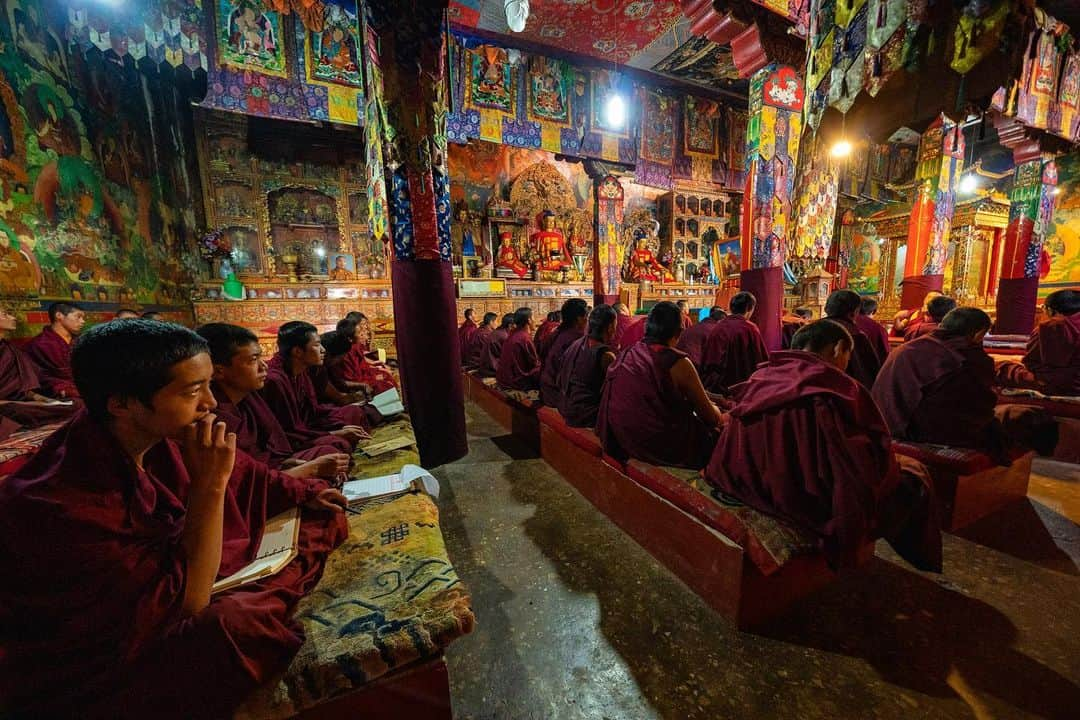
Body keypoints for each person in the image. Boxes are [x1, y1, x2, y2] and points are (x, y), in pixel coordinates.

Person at [0, 319, 348, 718]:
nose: (211, 403)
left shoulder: (161, 435)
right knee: (231, 628)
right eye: (192, 391)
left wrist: (307, 491)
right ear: (122, 403)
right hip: (97, 668)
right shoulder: (56, 504)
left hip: (183, 577)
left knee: (317, 517)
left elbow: (251, 476)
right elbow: (187, 603)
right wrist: (209, 486)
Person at [703, 319, 941, 571]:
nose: (846, 365)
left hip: (744, 479)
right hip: (800, 497)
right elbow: (856, 460)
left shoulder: (761, 375)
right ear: (838, 348)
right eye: (848, 356)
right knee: (913, 476)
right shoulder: (836, 387)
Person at [872, 308, 1056, 458]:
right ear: (977, 334)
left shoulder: (907, 347)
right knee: (1025, 419)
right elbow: (978, 406)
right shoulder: (966, 356)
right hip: (921, 431)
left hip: (888, 422)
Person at [198, 323, 353, 467]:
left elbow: (277, 440)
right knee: (332, 450)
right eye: (253, 359)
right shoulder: (273, 381)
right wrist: (301, 469)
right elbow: (243, 473)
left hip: (276, 463)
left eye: (260, 357)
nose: (263, 366)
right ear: (218, 371)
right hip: (265, 474)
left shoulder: (249, 394)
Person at [596, 301, 725, 469]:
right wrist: (719, 411)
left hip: (625, 438)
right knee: (720, 436)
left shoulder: (628, 352)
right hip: (659, 445)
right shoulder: (678, 363)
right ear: (679, 332)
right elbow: (711, 417)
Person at [261, 321, 371, 452]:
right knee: (335, 445)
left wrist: (339, 427)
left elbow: (312, 410)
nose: (323, 350)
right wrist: (332, 433)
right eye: (317, 345)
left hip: (310, 425)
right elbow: (287, 431)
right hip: (293, 438)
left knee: (353, 412)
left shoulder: (300, 370)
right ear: (297, 351)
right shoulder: (275, 380)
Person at [0, 307, 78, 439]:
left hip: (19, 404)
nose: (14, 318)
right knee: (15, 411)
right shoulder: (41, 343)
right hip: (7, 407)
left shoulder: (10, 349)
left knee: (76, 405)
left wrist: (44, 400)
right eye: (6, 314)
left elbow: (22, 387)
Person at [999, 289, 1080, 396]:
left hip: (1061, 385)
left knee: (1001, 368)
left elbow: (1031, 363)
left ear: (1051, 310)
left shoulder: (1051, 326)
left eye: (1044, 308)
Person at [557, 304, 617, 427]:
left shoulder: (576, 344)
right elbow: (616, 391)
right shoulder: (606, 355)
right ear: (611, 327)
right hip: (587, 414)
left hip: (567, 407)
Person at [699, 291, 769, 394]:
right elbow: (760, 359)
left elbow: (707, 359)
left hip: (716, 386)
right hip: (741, 386)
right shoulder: (750, 328)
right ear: (749, 308)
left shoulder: (718, 327)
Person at [24, 301, 85, 399]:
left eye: (83, 318)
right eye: (78, 316)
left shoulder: (82, 341)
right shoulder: (38, 344)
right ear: (59, 315)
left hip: (87, 386)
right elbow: (37, 376)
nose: (82, 321)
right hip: (59, 392)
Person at [823, 290, 883, 389]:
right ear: (855, 312)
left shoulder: (810, 329)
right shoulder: (856, 335)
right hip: (848, 391)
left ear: (826, 309)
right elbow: (869, 372)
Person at [539, 299, 589, 407]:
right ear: (579, 319)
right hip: (558, 395)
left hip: (546, 389)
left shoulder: (556, 332)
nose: (587, 320)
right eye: (586, 317)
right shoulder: (576, 339)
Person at [334, 317, 398, 397]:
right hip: (358, 383)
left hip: (364, 375)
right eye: (360, 334)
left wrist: (377, 369)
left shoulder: (355, 347)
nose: (363, 335)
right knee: (385, 385)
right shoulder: (345, 353)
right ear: (350, 338)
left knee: (386, 374)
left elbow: (363, 365)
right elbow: (350, 378)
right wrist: (374, 378)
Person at [496, 307, 541, 393]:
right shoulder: (524, 338)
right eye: (534, 317)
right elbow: (534, 364)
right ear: (529, 320)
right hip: (516, 382)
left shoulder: (513, 334)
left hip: (504, 378)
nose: (535, 321)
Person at [855, 297, 891, 364]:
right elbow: (884, 354)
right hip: (869, 367)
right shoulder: (878, 328)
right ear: (872, 311)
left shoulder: (847, 322)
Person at [478, 313, 513, 378]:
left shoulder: (497, 332)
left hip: (485, 366)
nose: (497, 323)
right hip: (491, 369)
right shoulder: (504, 336)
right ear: (510, 326)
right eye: (496, 321)